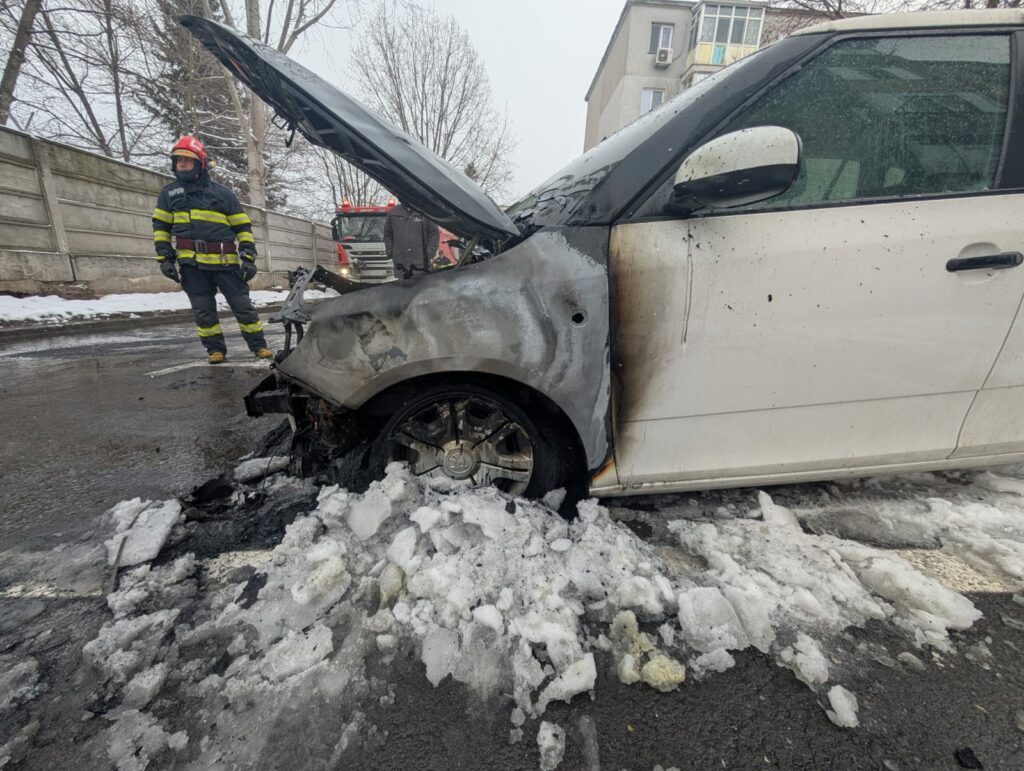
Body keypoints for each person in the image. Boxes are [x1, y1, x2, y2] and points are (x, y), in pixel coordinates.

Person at [152, 135, 272, 364]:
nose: (182, 165)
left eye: (187, 160)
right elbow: (161, 228)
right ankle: (215, 350)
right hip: (192, 266)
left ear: (200, 163)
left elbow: (242, 227)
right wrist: (165, 259)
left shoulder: (222, 194)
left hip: (225, 263)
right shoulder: (168, 195)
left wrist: (247, 257)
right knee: (203, 312)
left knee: (243, 308)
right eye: (178, 161)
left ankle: (259, 346)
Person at [383, 202, 440, 279]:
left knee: (422, 290)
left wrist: (429, 252)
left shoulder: (425, 212)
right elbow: (388, 234)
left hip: (421, 266)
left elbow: (434, 233)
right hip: (401, 265)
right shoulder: (393, 212)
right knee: (403, 290)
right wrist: (391, 251)